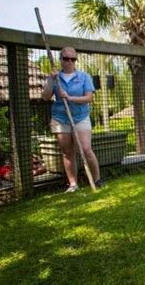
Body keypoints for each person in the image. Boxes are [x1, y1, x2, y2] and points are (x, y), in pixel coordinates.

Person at [42, 47, 104, 192]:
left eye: (73, 59)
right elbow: (45, 97)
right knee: (67, 152)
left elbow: (88, 98)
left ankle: (97, 179)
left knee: (86, 149)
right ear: (61, 59)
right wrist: (51, 79)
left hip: (80, 117)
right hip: (60, 118)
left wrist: (70, 98)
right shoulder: (55, 77)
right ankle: (73, 184)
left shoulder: (84, 77)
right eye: (66, 58)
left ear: (75, 60)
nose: (69, 61)